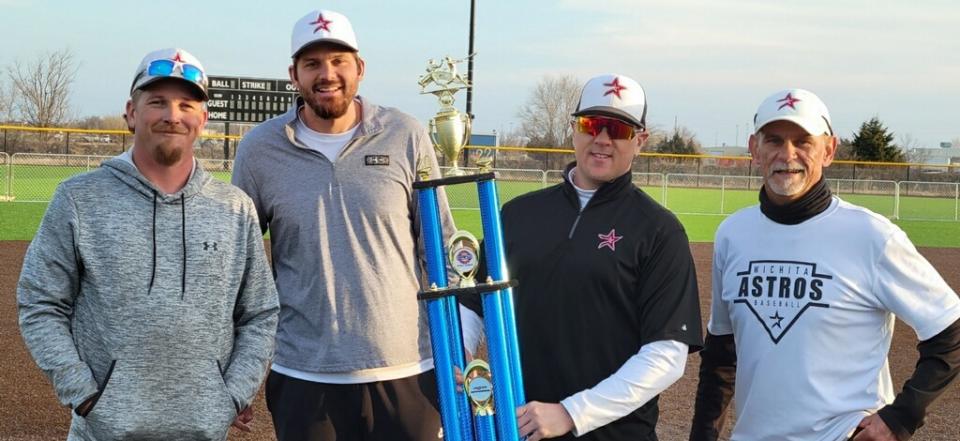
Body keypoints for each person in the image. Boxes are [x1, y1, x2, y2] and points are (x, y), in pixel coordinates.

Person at [17, 48, 280, 440]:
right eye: (157, 102)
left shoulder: (235, 208)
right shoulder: (79, 199)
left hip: (202, 430)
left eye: (186, 104)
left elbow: (260, 312)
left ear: (203, 119)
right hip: (104, 431)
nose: (172, 115)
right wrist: (84, 394)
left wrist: (233, 393)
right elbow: (39, 301)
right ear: (131, 112)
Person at [231, 9, 455, 441]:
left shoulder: (405, 134)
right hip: (303, 375)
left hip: (406, 370)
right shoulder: (260, 149)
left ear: (360, 69)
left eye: (338, 61)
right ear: (293, 74)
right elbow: (237, 268)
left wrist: (454, 350)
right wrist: (236, 369)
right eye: (312, 64)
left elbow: (440, 250)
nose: (326, 74)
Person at [689, 89, 960, 441]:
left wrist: (900, 418)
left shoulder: (871, 235)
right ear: (754, 149)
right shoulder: (733, 234)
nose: (787, 154)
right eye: (774, 140)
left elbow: (950, 330)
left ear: (829, 150)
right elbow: (722, 356)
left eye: (803, 141)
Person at [461, 74, 704, 441]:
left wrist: (573, 413)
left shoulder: (658, 230)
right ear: (574, 130)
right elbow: (472, 301)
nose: (602, 139)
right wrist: (458, 359)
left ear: (639, 141)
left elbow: (666, 355)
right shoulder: (517, 215)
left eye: (618, 129)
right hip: (517, 427)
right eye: (592, 124)